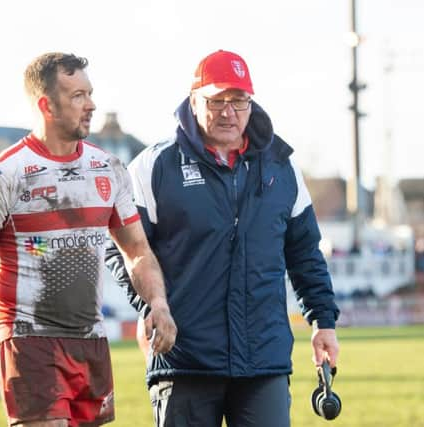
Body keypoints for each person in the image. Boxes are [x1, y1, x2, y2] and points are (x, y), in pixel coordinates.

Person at [105, 49, 340, 427]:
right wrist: (151, 304)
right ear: (194, 100)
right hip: (184, 360)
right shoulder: (154, 166)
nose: (228, 111)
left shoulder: (283, 166)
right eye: (216, 101)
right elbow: (121, 248)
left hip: (263, 361)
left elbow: (305, 255)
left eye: (238, 100)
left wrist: (323, 321)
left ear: (250, 103)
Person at [0, 52, 176, 427]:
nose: (92, 105)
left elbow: (136, 251)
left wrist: (158, 303)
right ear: (45, 105)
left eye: (90, 93)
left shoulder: (109, 168)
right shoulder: (2, 175)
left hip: (89, 338)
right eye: (77, 96)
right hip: (28, 338)